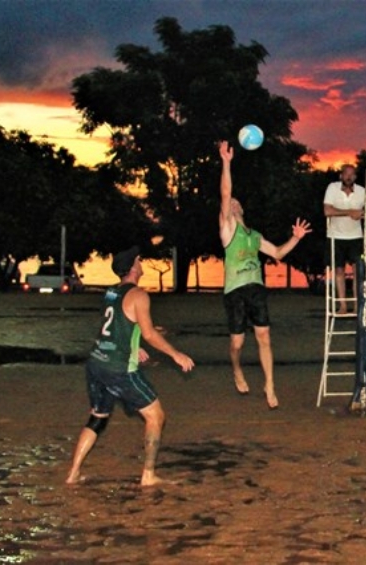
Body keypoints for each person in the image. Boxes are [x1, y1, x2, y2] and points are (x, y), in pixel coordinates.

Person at [66, 246, 195, 486]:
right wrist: (175, 354)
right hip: (118, 368)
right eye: (138, 260)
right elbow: (148, 333)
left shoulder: (111, 292)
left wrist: (134, 347)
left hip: (96, 362)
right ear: (133, 268)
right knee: (156, 416)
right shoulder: (139, 295)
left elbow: (117, 325)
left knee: (97, 418)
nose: (141, 262)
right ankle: (149, 475)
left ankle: (73, 473)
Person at [219, 140, 312, 408]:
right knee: (237, 344)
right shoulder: (228, 230)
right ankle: (236, 369)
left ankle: (269, 385)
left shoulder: (255, 236)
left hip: (256, 289)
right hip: (234, 292)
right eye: (229, 202)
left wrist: (296, 238)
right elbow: (225, 191)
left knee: (264, 337)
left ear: (241, 209)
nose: (231, 203)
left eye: (235, 202)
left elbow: (279, 253)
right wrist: (226, 162)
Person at [323, 164, 366, 315]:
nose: (348, 177)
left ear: (355, 177)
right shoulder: (332, 188)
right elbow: (327, 210)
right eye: (346, 174)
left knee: (358, 271)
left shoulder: (362, 191)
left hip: (356, 237)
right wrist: (349, 212)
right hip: (335, 236)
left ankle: (357, 305)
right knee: (339, 270)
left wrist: (362, 213)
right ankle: (342, 305)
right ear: (341, 175)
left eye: (352, 174)